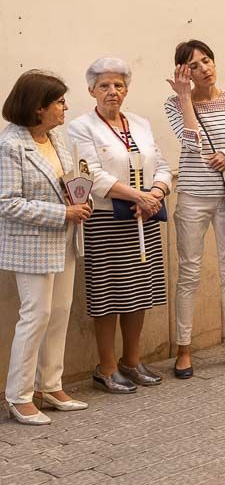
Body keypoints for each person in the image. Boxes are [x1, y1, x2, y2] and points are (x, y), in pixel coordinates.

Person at [67, 59, 171, 393]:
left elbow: (163, 164)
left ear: (126, 89)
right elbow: (93, 175)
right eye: (105, 86)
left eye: (119, 85)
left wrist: (155, 193)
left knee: (139, 291)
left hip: (145, 215)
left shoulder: (139, 123)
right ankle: (107, 367)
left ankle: (132, 360)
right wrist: (139, 196)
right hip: (107, 218)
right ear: (92, 90)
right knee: (109, 293)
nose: (113, 92)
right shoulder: (81, 127)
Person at [164, 40, 225, 377]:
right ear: (182, 72)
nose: (204, 68)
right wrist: (186, 98)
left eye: (207, 61)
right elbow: (191, 141)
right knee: (188, 272)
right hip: (192, 196)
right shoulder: (174, 104)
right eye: (194, 65)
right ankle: (184, 349)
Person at [2, 71, 91, 425]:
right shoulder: (10, 145)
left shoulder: (55, 137)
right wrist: (63, 212)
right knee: (35, 316)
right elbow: (7, 202)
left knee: (59, 312)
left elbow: (65, 182)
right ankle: (19, 395)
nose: (65, 107)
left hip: (64, 239)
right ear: (38, 108)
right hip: (32, 245)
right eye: (59, 102)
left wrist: (78, 200)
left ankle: (50, 385)